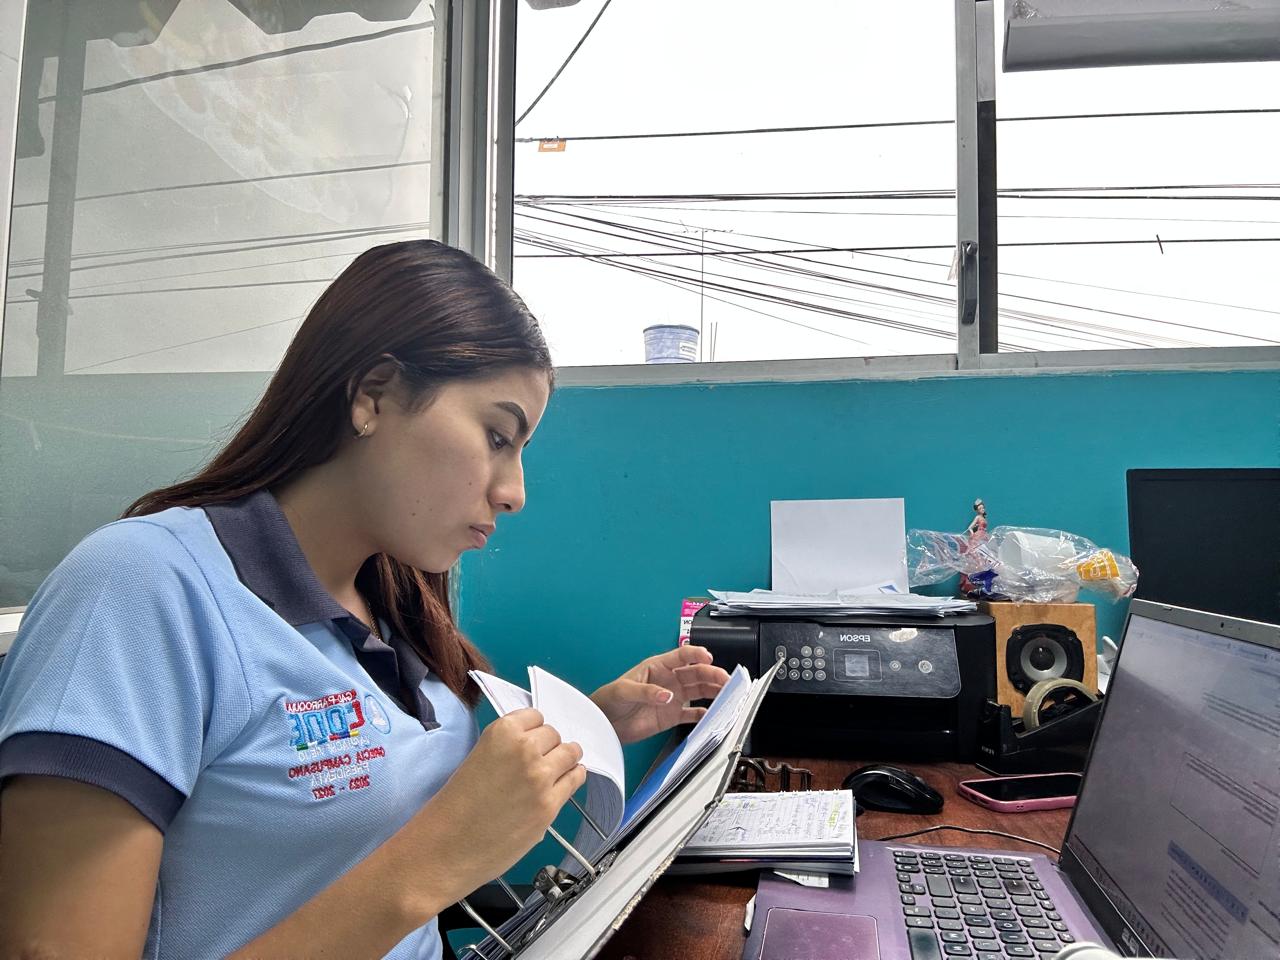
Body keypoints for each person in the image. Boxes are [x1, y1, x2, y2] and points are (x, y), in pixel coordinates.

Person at [0, 240, 730, 960]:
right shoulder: (139, 588)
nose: (514, 492)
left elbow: (364, 809)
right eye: (496, 436)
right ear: (373, 395)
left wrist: (586, 729)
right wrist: (433, 861)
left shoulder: (388, 595)